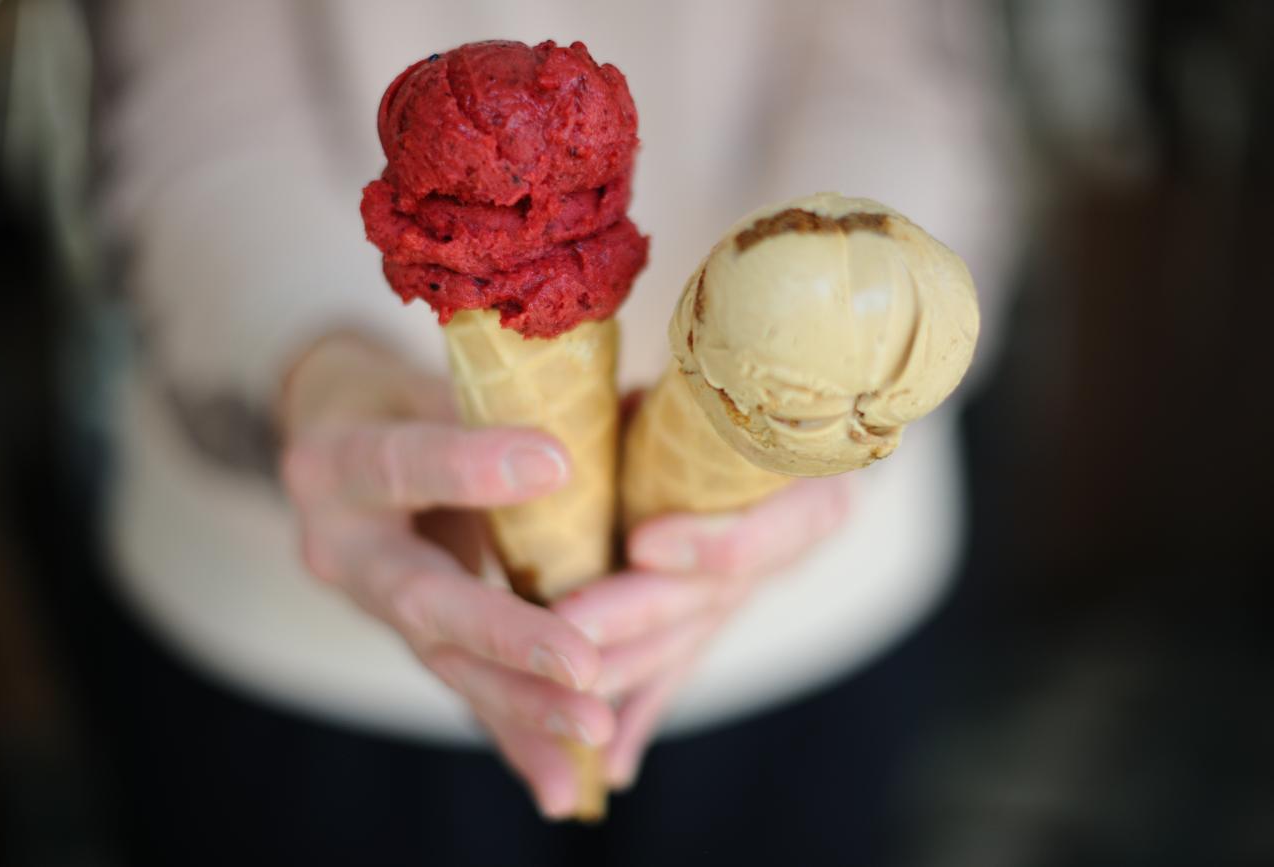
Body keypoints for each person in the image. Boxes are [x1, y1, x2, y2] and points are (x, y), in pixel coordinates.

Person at [82, 0, 1019, 862]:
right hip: (290, 640)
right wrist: (311, 366)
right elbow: (191, 109)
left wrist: (848, 356)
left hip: (812, 614)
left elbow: (901, 67)